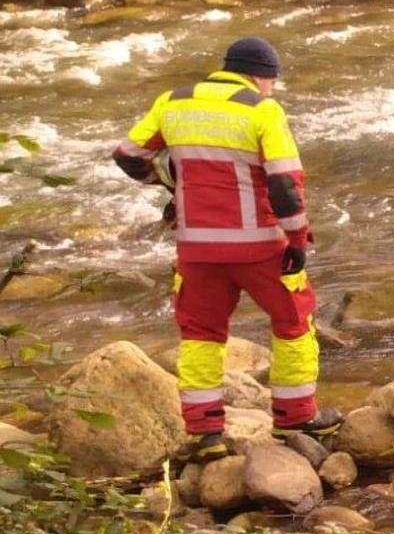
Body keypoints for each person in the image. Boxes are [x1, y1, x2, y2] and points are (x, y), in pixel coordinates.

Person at [112, 37, 339, 461]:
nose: (271, 89)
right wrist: (297, 239)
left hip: (196, 246)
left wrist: (171, 186)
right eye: (271, 82)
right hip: (259, 246)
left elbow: (127, 154)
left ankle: (205, 435)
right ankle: (294, 417)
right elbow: (285, 184)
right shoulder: (261, 109)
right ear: (260, 76)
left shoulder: (173, 101)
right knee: (294, 319)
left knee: (200, 333)